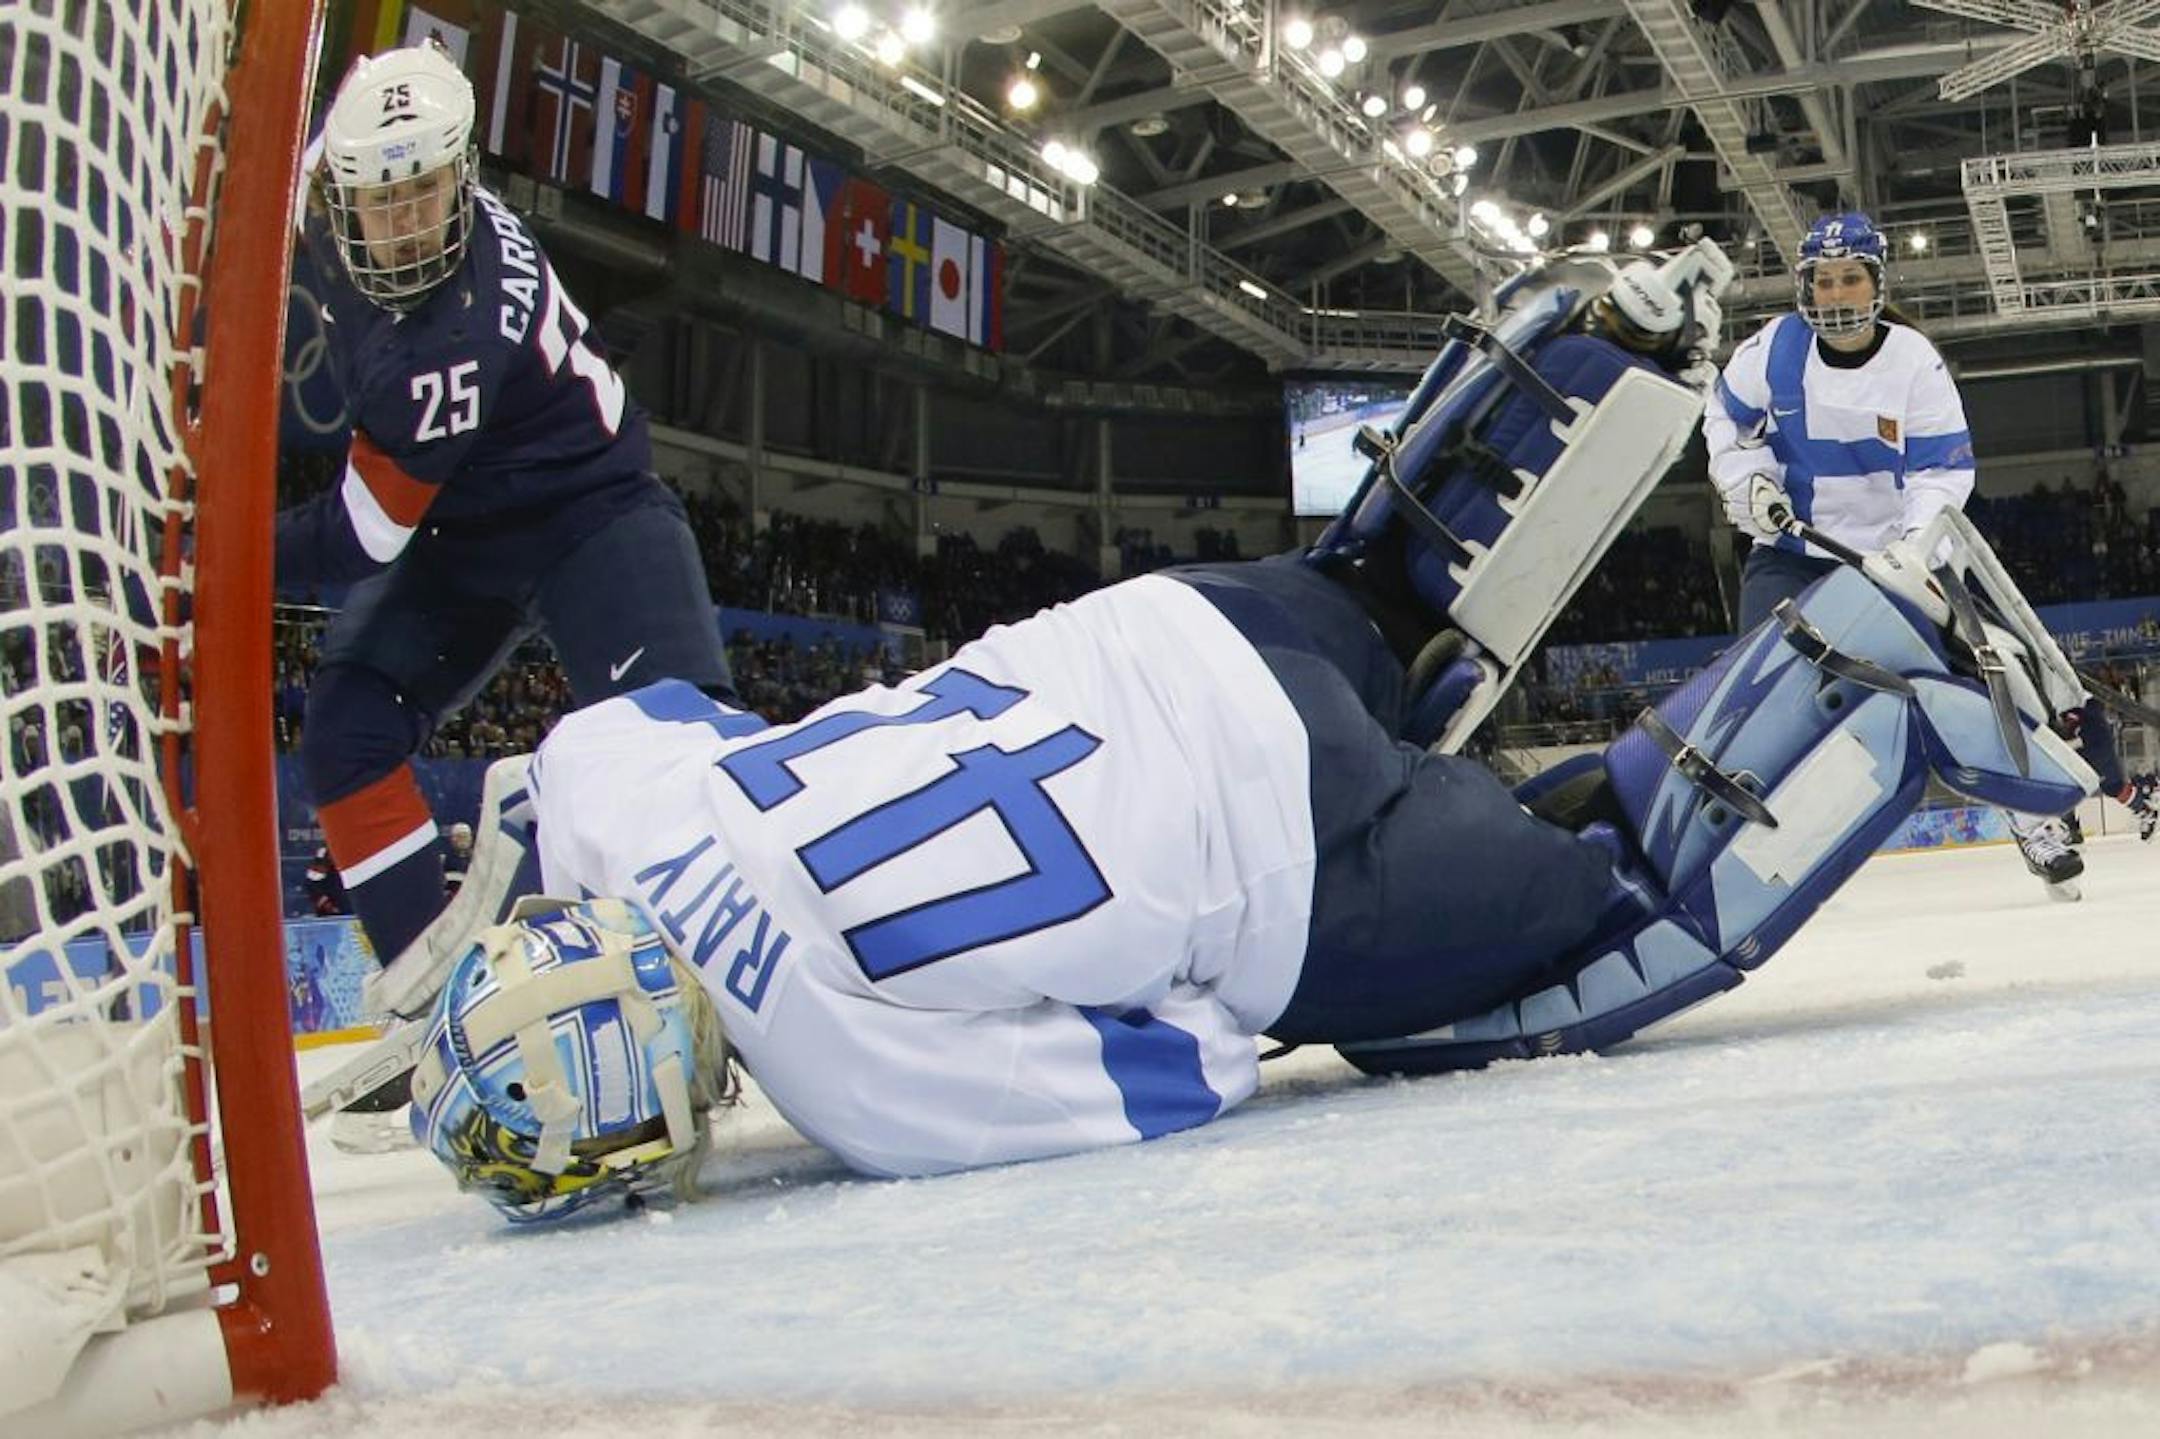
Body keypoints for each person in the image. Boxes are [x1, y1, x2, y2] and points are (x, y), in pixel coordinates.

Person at [404, 513, 2095, 1221]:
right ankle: (1522, 381)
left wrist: (1292, 992)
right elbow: (602, 733)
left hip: (1294, 843)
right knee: (1394, 590)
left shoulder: (858, 1087)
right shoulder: (633, 808)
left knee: (1590, 924)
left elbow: (1176, 1073)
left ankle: (1868, 650)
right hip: (1185, 615)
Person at [277, 42, 734, 973]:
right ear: (343, 193)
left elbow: (361, 538)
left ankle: (760, 981)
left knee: (693, 762)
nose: (404, 225)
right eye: (383, 199)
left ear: (460, 178)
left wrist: (214, 554)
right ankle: (430, 989)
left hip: (590, 511)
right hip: (467, 525)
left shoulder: (448, 339)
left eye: (425, 193)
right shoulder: (333, 192)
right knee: (344, 736)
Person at [1702, 209, 2085, 897]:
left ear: (1875, 282)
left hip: (1898, 558)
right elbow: (1726, 422)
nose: (1837, 294)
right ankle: (1724, 852)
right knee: (1751, 686)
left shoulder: (1913, 361)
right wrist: (1747, 483)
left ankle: (2032, 816)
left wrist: (1911, 552)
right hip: (1794, 551)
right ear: (1807, 287)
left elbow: (1940, 472)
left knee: (1977, 676)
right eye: (1824, 280)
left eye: (1851, 278)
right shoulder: (1771, 351)